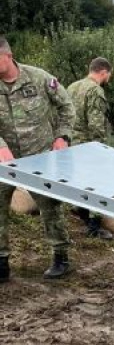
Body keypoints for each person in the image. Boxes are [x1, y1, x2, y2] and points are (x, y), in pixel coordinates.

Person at [0, 36, 75, 281]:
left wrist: (62, 136)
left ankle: (61, 257)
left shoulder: (40, 78)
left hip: (40, 158)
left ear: (8, 56)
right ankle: (1, 263)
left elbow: (66, 107)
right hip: (4, 161)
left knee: (50, 208)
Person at [67, 57, 114, 239]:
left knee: (78, 180)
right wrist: (101, 149)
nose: (108, 78)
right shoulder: (95, 90)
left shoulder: (72, 87)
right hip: (88, 146)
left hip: (71, 144)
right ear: (103, 72)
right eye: (109, 75)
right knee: (97, 183)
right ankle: (94, 227)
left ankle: (79, 210)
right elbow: (96, 125)